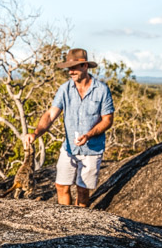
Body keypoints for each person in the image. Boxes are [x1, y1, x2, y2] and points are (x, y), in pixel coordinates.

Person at [26, 48, 114, 207]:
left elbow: (107, 120)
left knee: (82, 190)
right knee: (61, 186)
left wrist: (88, 135)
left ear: (85, 66)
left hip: (92, 148)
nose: (71, 71)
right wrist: (36, 133)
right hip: (69, 148)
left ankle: (80, 224)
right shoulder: (64, 89)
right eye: (69, 68)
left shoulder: (101, 90)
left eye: (74, 67)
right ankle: (65, 220)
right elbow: (50, 115)